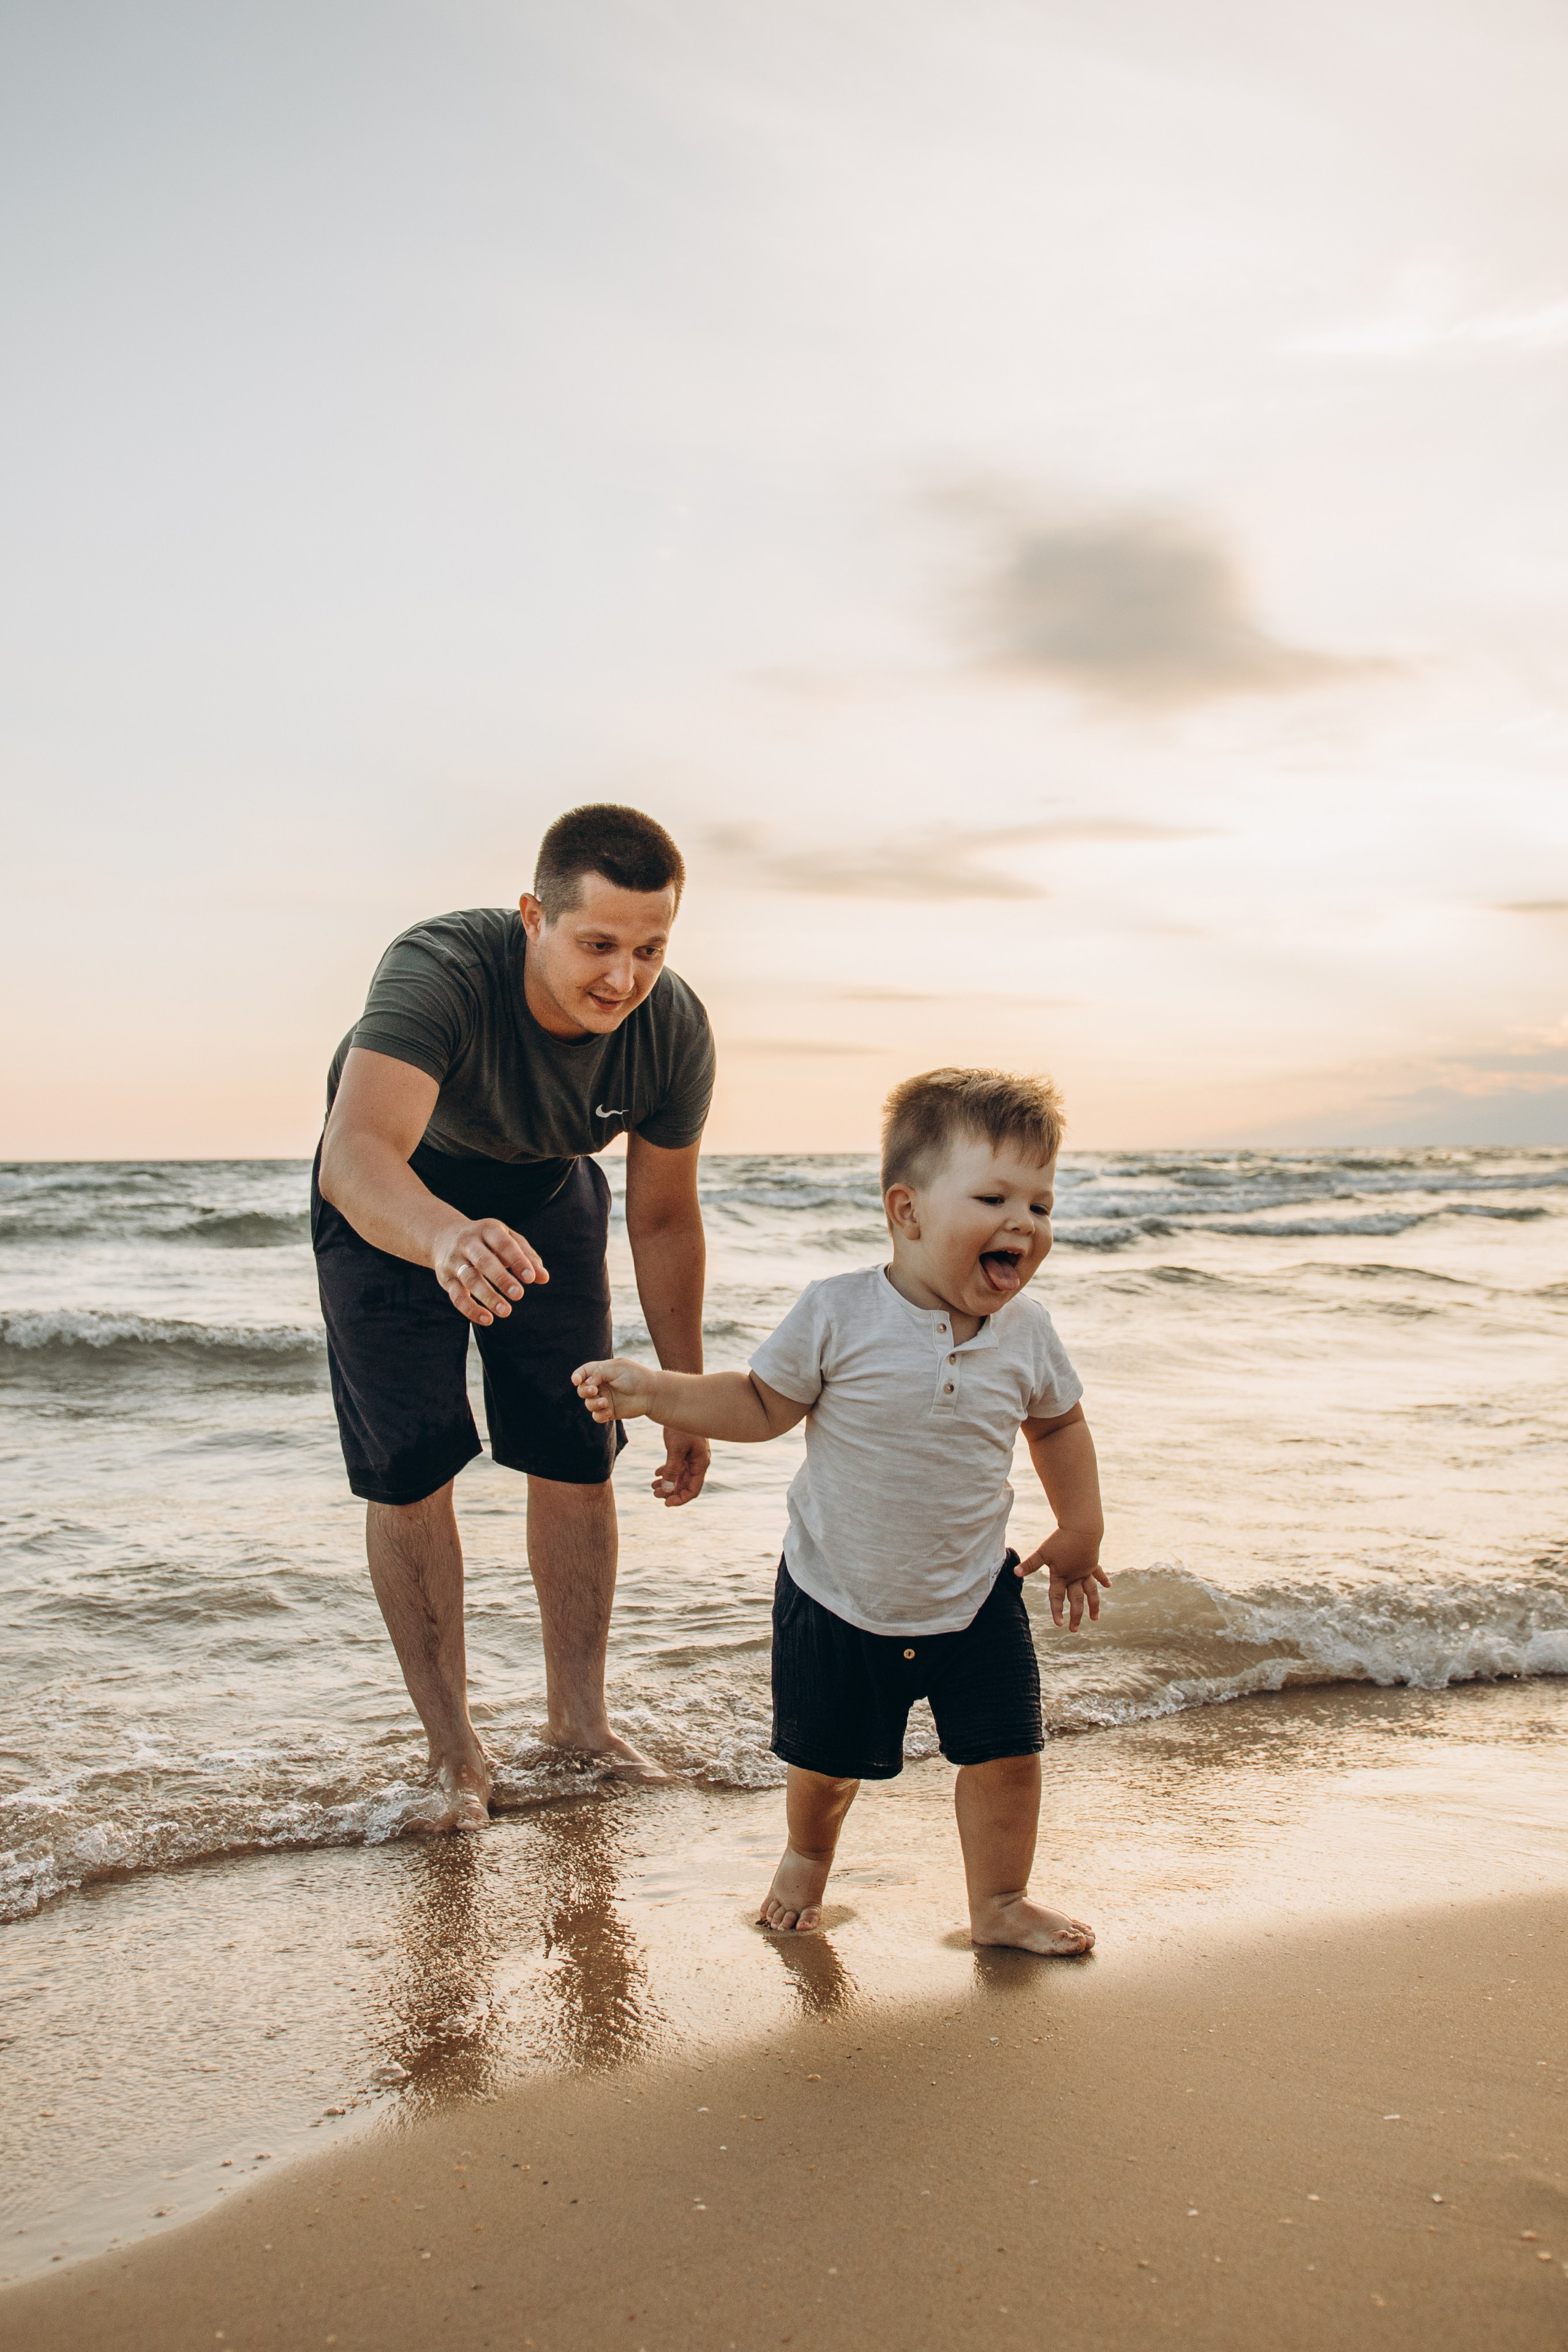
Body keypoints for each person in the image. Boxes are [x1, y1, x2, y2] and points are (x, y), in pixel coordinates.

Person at [572, 1066, 1109, 1955]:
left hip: (977, 1594)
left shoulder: (1028, 1332)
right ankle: (805, 1858)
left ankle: (1001, 1902)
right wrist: (657, 1393)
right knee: (822, 1768)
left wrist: (1081, 1526)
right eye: (994, 1197)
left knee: (1009, 1757)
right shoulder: (839, 1313)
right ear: (907, 1212)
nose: (1024, 1224)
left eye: (1042, 1207)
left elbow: (1058, 1425)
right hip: (835, 1595)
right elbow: (759, 1404)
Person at [314, 803, 715, 1829]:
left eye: (650, 949)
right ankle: (455, 1757)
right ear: (534, 916)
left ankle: (579, 1726)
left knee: (579, 1453)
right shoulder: (438, 970)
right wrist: (446, 1237)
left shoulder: (669, 1032)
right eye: (597, 945)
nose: (623, 979)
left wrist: (684, 1391)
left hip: (545, 1199)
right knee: (411, 1471)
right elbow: (356, 1153)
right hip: (392, 1206)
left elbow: (665, 1218)